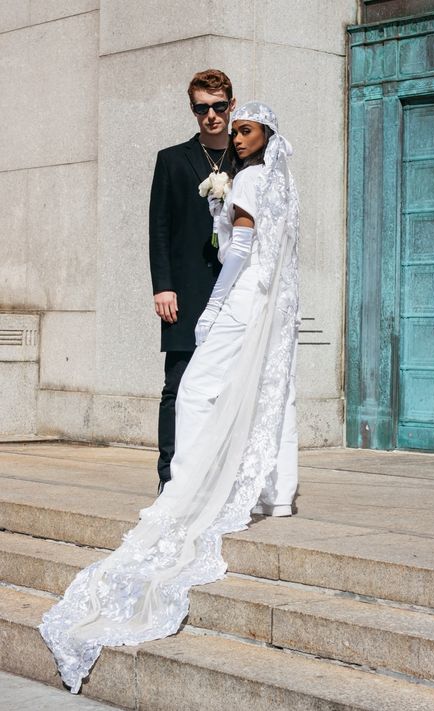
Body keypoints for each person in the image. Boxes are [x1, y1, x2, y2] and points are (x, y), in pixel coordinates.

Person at [39, 102, 299, 693]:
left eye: (244, 127)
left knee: (195, 392)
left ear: (267, 136)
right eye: (232, 128)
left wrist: (211, 309)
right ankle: (273, 492)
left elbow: (237, 252)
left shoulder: (254, 178)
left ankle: (187, 490)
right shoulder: (273, 179)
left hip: (239, 298)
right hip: (266, 299)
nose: (234, 134)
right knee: (268, 392)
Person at [149, 69, 235, 492]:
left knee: (229, 386)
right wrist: (162, 285)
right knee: (177, 385)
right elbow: (159, 228)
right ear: (193, 110)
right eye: (202, 108)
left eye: (218, 106)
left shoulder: (247, 159)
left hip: (233, 293)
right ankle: (170, 479)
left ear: (231, 106)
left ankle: (219, 477)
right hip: (182, 291)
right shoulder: (171, 159)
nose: (211, 115)